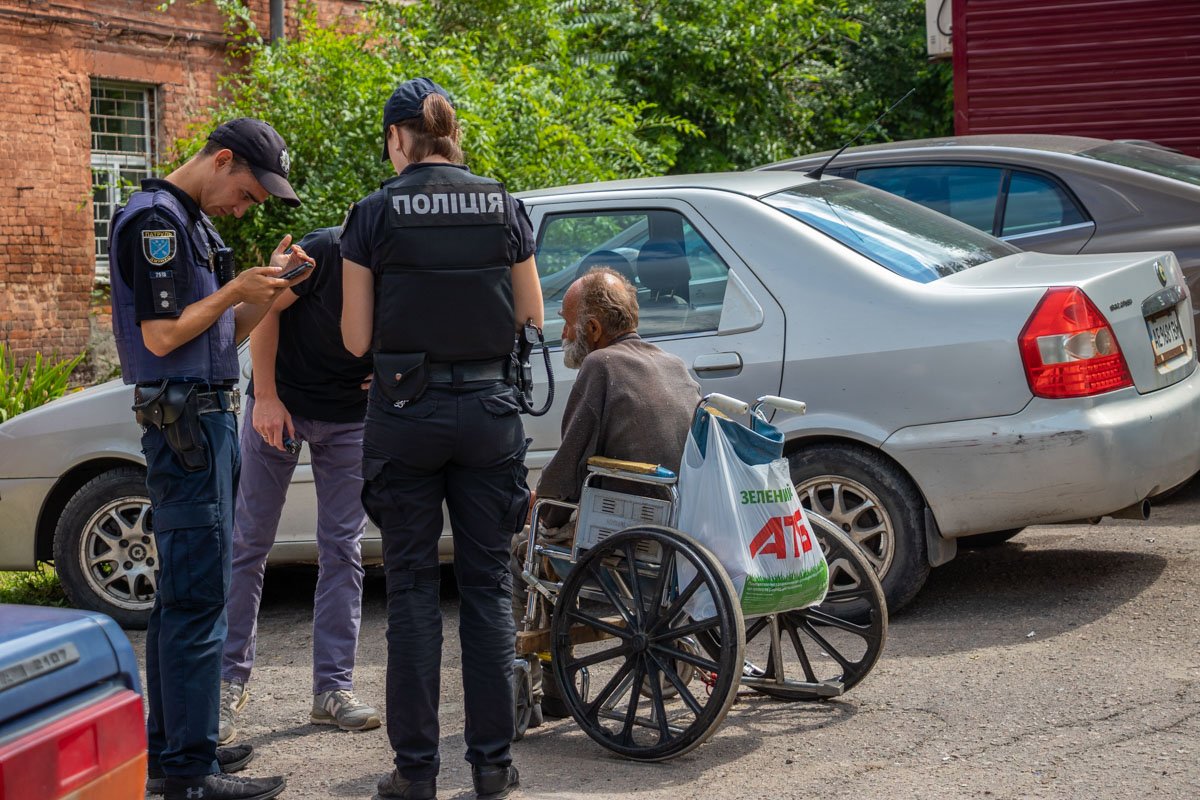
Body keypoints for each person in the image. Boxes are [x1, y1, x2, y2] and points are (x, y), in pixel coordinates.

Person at [341, 77, 542, 800]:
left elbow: (356, 338)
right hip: (490, 412)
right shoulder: (502, 203)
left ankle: (416, 772)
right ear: (451, 134)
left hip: (406, 415)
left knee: (413, 591)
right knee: (487, 587)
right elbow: (530, 314)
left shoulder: (372, 213)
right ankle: (492, 766)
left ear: (398, 138)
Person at [109, 117, 315, 800]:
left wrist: (272, 289)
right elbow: (163, 335)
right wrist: (232, 290)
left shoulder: (193, 223)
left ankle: (175, 750)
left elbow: (222, 337)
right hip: (187, 426)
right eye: (248, 193)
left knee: (186, 595)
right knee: (199, 597)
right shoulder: (156, 222)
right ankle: (190, 772)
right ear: (223, 159)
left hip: (204, 418)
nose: (245, 208)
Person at [516, 267, 701, 721]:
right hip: (678, 525)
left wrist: (541, 514)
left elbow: (570, 464)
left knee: (523, 552)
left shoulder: (601, 366)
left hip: (625, 534)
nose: (563, 334)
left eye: (568, 323)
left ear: (594, 329)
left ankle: (549, 689)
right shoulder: (674, 364)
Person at [219, 225, 380, 745]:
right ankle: (225, 682)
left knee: (343, 549)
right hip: (281, 406)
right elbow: (266, 310)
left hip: (350, 418)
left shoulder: (409, 265)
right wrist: (265, 397)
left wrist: (393, 368)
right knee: (249, 542)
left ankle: (333, 690)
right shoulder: (325, 250)